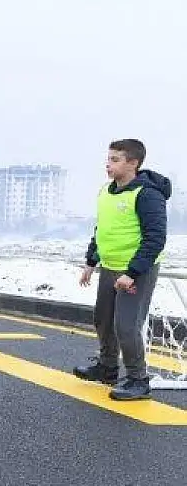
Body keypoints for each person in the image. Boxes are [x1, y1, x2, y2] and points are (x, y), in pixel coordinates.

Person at [74, 139, 171, 401]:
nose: (108, 164)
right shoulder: (106, 192)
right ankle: (107, 367)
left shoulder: (147, 194)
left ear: (133, 163)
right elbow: (102, 230)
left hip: (137, 271)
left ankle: (139, 380)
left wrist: (132, 273)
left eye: (115, 159)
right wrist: (91, 262)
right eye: (108, 159)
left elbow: (155, 239)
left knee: (126, 326)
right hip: (109, 267)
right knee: (103, 320)